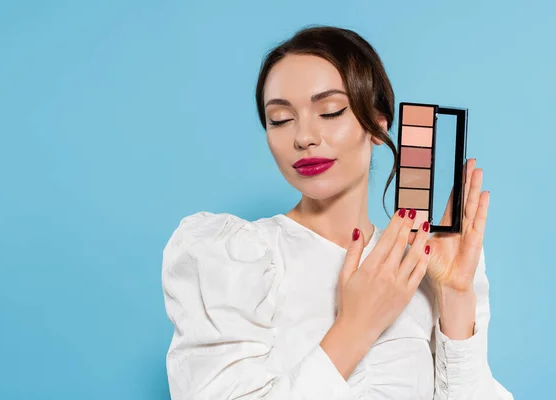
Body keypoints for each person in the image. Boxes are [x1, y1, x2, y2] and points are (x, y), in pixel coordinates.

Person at [161, 25, 513, 400]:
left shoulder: (420, 269)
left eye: (329, 111)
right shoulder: (235, 260)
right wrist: (355, 327)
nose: (304, 137)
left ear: (378, 124)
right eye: (280, 119)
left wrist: (456, 295)